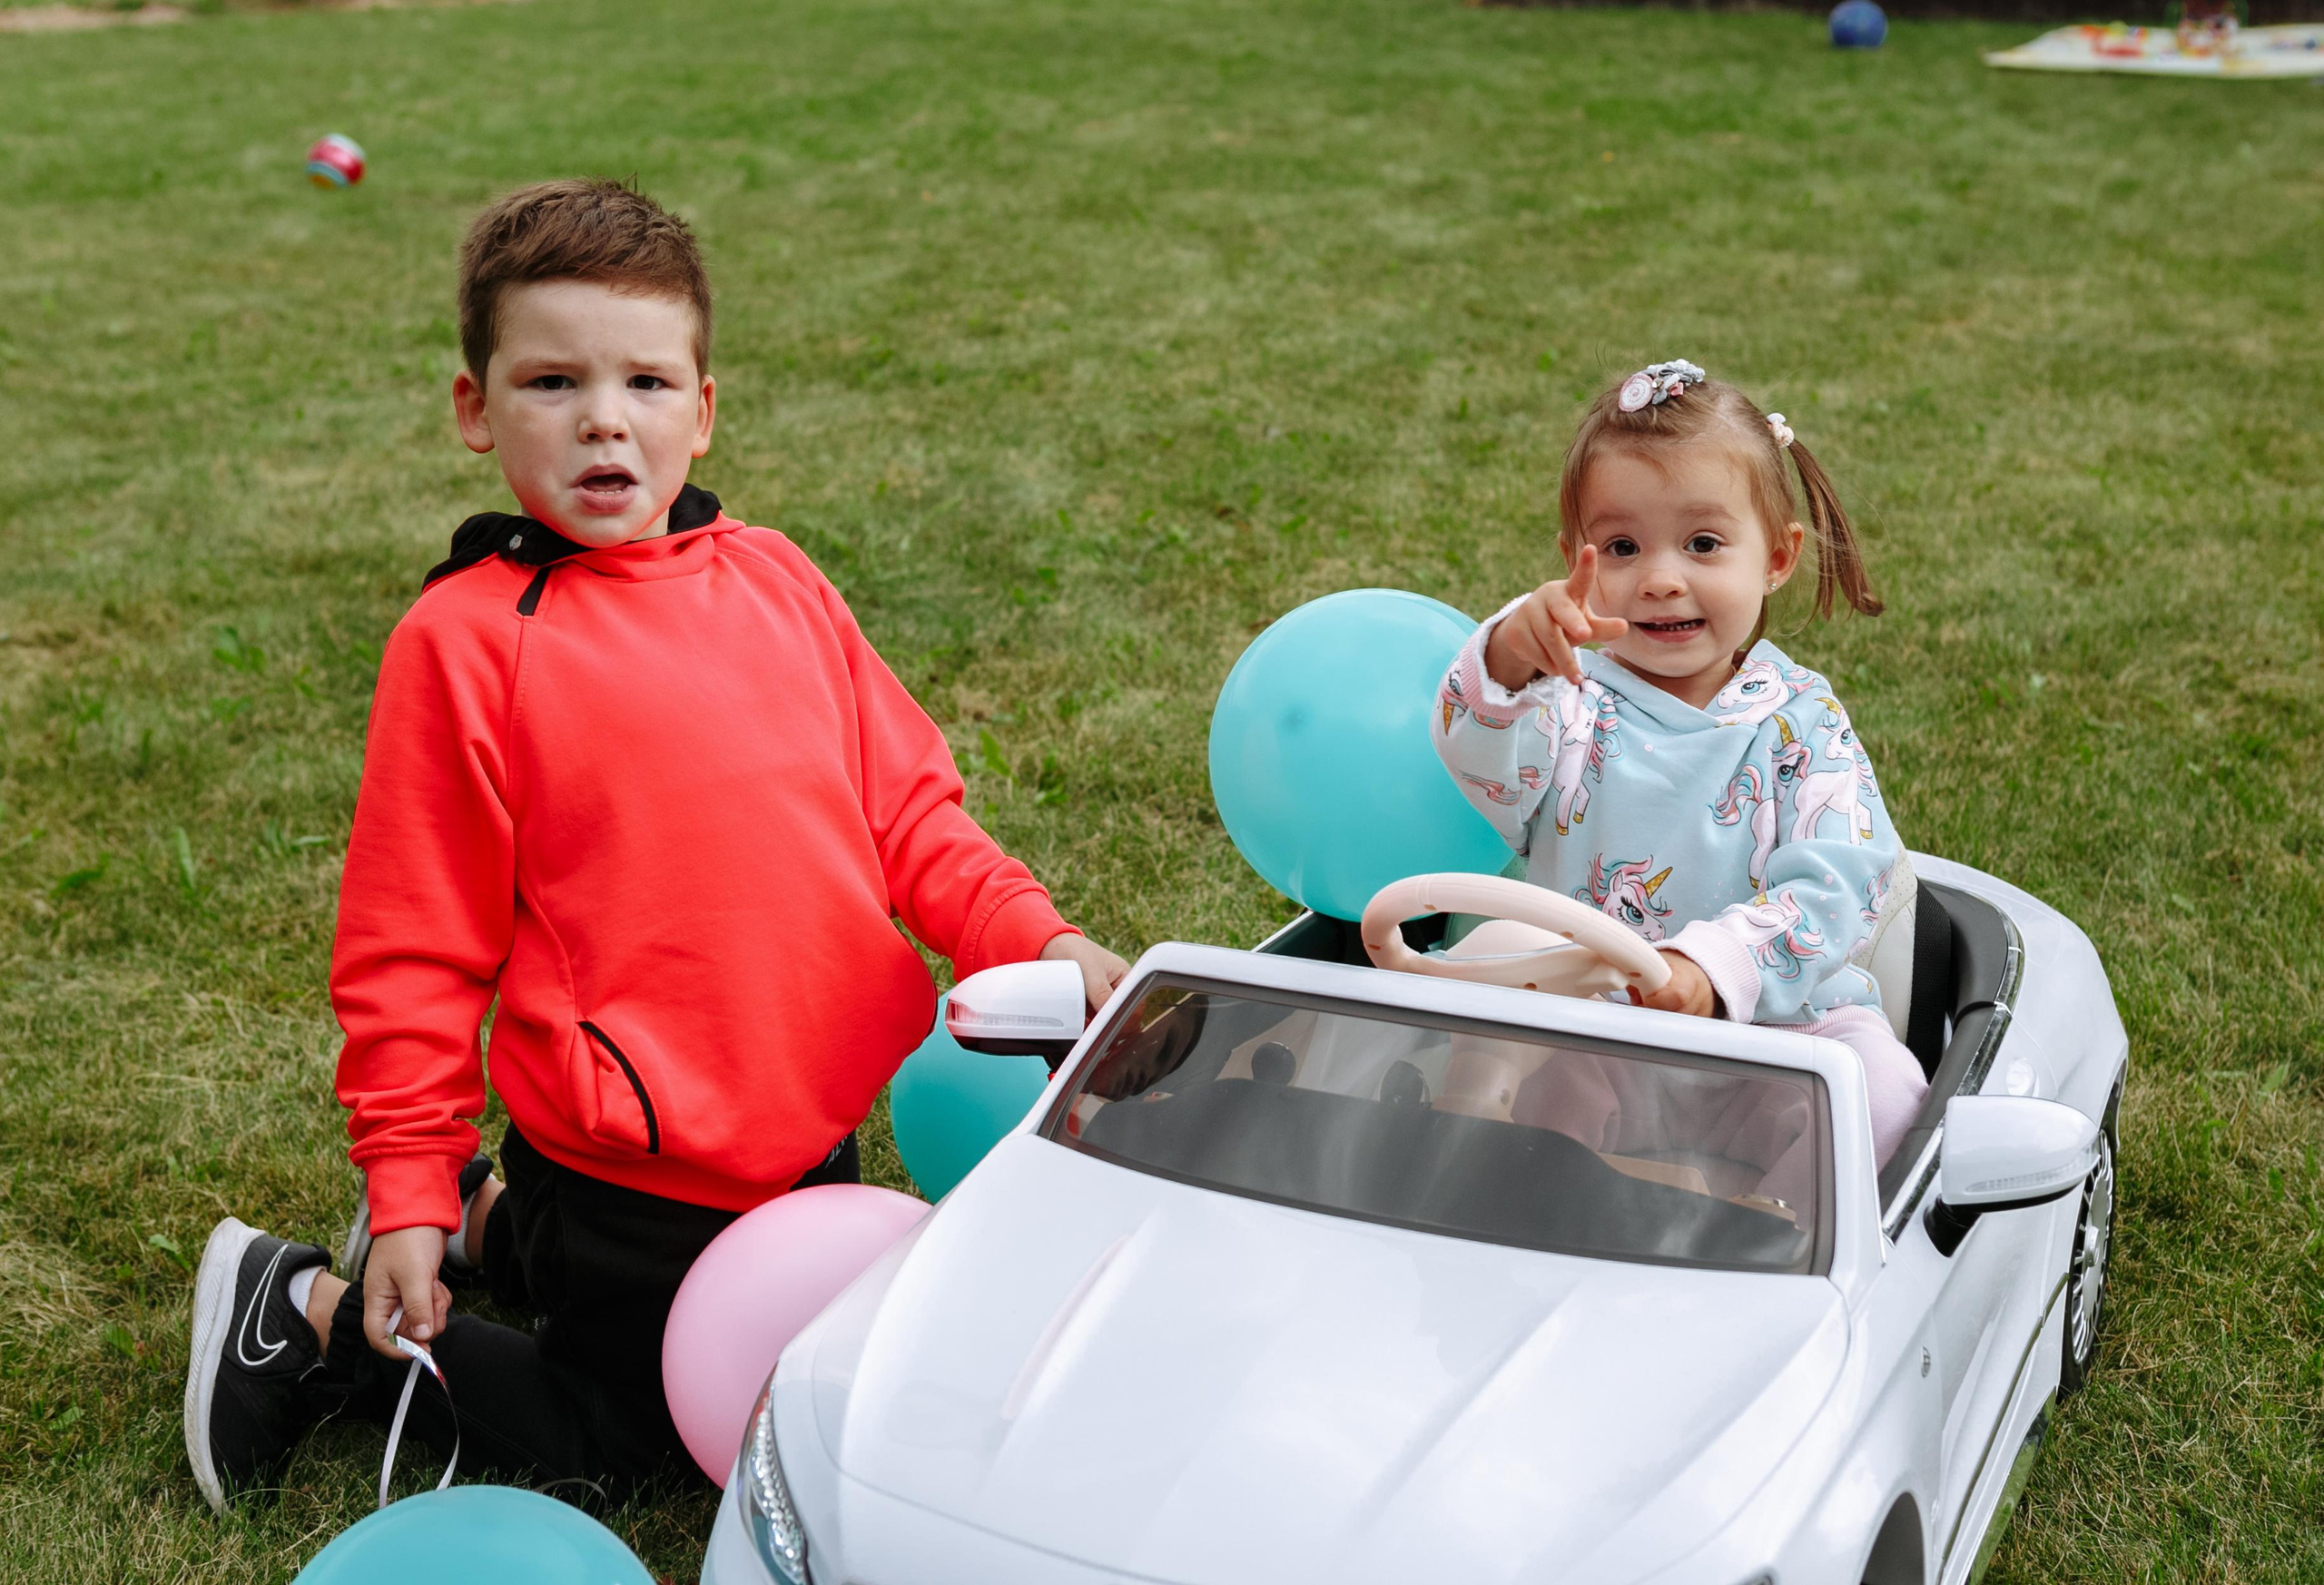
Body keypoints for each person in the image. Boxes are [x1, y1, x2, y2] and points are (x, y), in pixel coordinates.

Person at [182, 178, 1128, 1511]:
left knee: (795, 1385)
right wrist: (400, 1181)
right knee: (642, 1442)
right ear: (476, 410)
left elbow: (913, 817)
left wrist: (1041, 936)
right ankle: (308, 1314)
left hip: (804, 1132)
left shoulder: (779, 581)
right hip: (630, 1158)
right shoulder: (467, 644)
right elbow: (414, 951)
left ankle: (488, 1221)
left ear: (704, 407)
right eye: (553, 382)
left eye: (645, 381)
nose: (604, 419)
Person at [1433, 358, 1925, 1181]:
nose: (1661, 579)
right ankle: (1507, 1194)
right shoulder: (1565, 700)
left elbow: (1841, 880)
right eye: (1622, 547)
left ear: (1775, 557)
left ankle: (1785, 1242)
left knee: (1882, 1096)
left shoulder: (1801, 720)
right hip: (1602, 1034)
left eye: (1703, 544)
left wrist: (1714, 967)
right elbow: (1484, 765)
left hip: (1781, 1036)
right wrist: (1514, 653)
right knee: (1514, 1029)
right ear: (1573, 558)